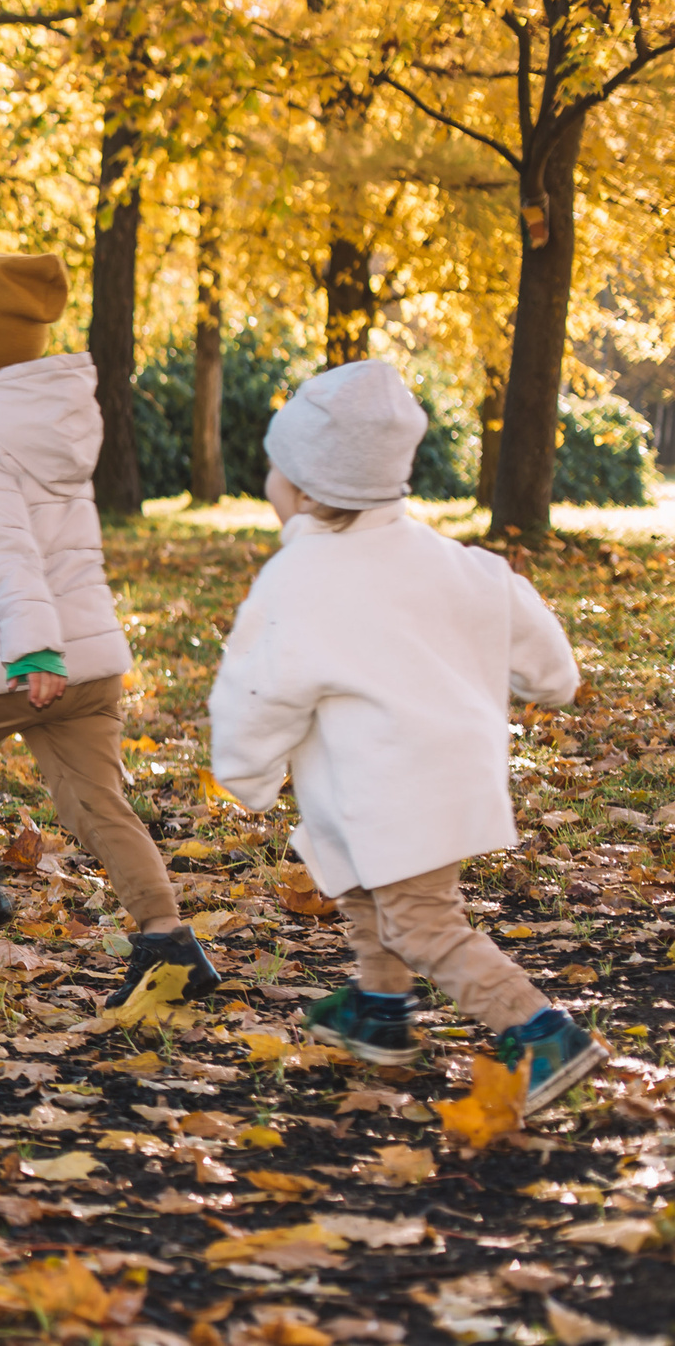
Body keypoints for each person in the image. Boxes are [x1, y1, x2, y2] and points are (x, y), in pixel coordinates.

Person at [210, 360, 602, 1109]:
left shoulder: (298, 579)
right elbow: (530, 628)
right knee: (362, 887)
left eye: (273, 469)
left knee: (423, 923)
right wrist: (551, 681)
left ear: (300, 488)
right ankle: (381, 1009)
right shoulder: (453, 561)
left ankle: (542, 1029)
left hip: (392, 790)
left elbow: (258, 689)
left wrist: (245, 774)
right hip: (438, 778)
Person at [0, 253, 215, 1008]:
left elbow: (7, 550)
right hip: (90, 660)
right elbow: (6, 526)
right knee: (99, 803)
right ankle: (169, 943)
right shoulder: (46, 425)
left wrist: (32, 643)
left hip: (19, 660)